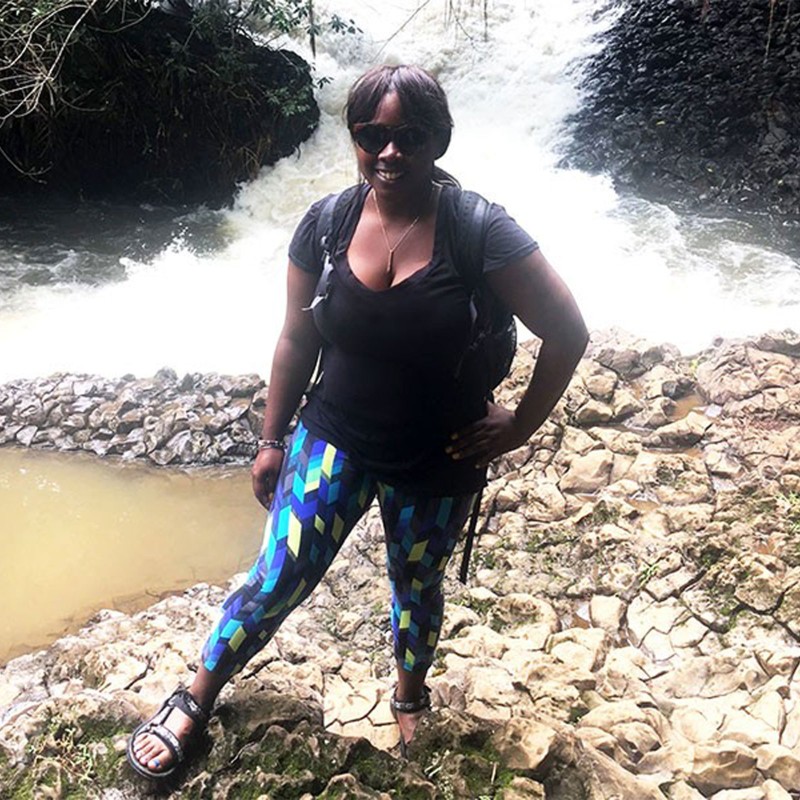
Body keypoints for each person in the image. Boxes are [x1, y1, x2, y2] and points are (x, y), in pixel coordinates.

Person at [127, 63, 588, 779]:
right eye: (371, 133)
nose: (389, 151)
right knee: (278, 574)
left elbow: (568, 330)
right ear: (355, 137)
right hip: (334, 433)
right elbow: (296, 339)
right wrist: (272, 440)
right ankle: (197, 694)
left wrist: (520, 426)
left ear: (439, 139)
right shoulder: (328, 222)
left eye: (409, 135)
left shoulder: (481, 230)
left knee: (417, 585)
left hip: (440, 454)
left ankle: (409, 700)